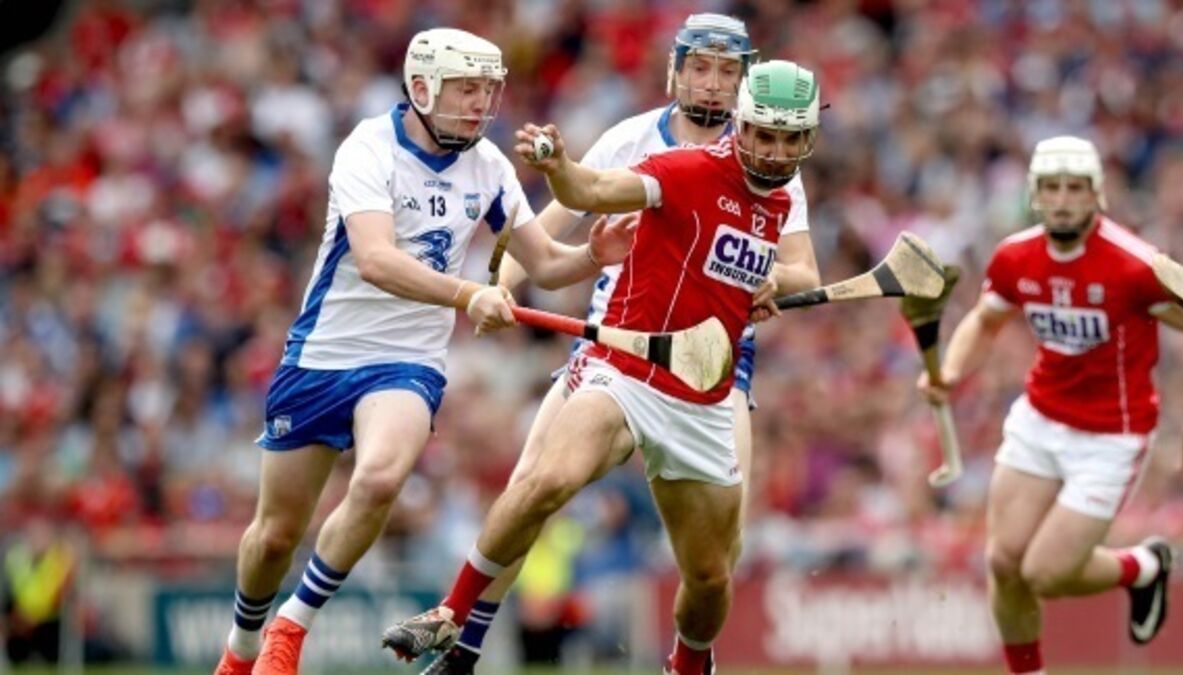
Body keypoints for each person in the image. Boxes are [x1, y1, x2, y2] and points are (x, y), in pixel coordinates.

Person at [212, 27, 635, 675]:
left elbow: (546, 263)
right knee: (273, 536)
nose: (480, 103)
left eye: (487, 90)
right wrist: (469, 294)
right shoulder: (369, 147)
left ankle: (291, 626)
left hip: (407, 362)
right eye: (466, 89)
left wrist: (591, 257)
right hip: (324, 352)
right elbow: (376, 260)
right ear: (421, 88)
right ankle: (242, 649)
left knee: (381, 477)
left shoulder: (489, 166)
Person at [381, 59, 823, 675]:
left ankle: (688, 666)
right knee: (546, 481)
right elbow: (588, 193)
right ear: (742, 127)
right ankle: (451, 614)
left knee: (710, 576)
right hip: (626, 369)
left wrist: (771, 279)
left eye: (790, 140)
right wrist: (559, 166)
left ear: (807, 140)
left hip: (702, 398)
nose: (775, 152)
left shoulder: (780, 198)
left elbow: (803, 275)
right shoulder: (688, 168)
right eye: (765, 136)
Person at [917, 135, 1183, 675]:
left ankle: (1143, 566)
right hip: (1040, 419)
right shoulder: (1015, 256)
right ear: (1034, 194)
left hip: (1112, 436)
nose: (1064, 200)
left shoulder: (1135, 266)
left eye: (1075, 188)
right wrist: (950, 372)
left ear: (1097, 195)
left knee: (1044, 573)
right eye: (1052, 188)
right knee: (1004, 562)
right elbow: (985, 320)